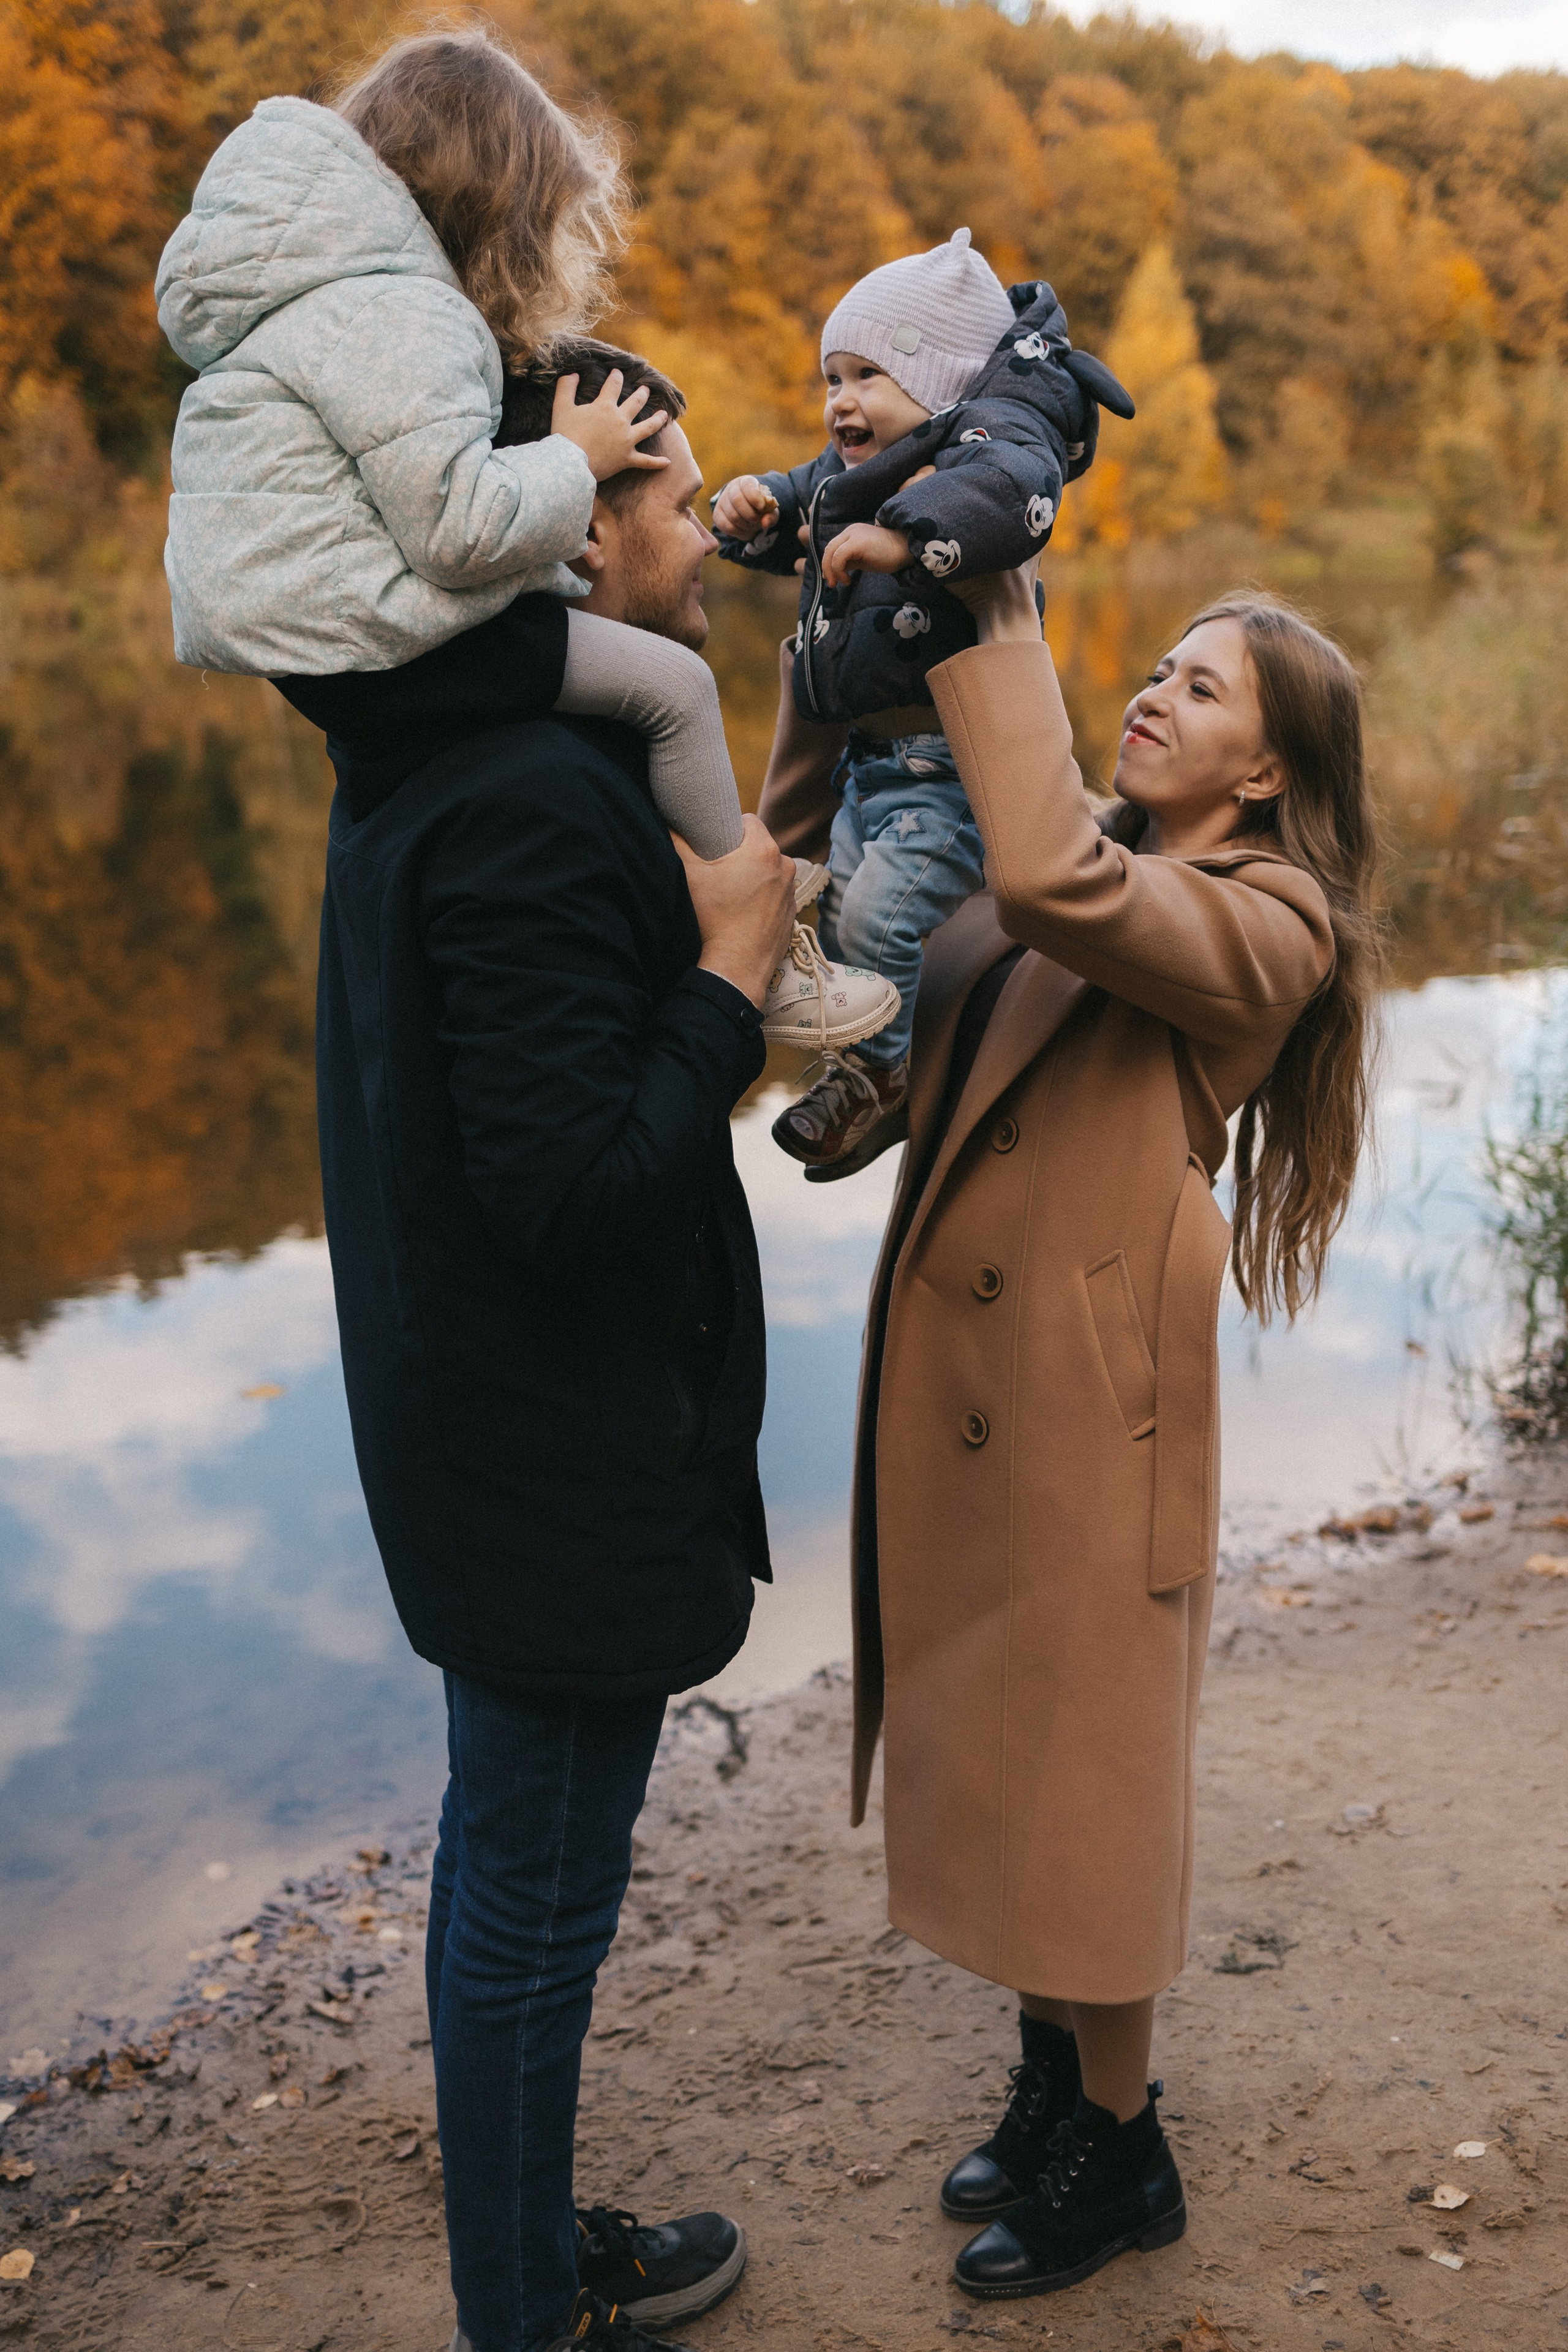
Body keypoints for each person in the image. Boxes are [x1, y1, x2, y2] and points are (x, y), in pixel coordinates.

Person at [758, 576, 1379, 2297]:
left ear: (1265, 774)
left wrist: (997, 619)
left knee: (1088, 1773)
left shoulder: (1268, 919)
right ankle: (1051, 2091)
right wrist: (871, 1094)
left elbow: (1044, 888)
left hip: (1091, 1400)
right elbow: (960, 992)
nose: (1158, 697)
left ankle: (1124, 2152)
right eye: (1159, 669)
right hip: (977, 1374)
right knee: (1008, 1738)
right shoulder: (1102, 854)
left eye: (1204, 688)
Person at [278, 344, 793, 2352]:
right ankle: (522, 2310)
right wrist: (736, 983)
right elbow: (579, 1197)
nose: (689, 507)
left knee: (516, 1881)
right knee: (532, 1902)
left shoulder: (484, 759)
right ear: (559, 543)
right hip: (541, 1449)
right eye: (654, 483)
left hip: (491, 1423)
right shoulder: (520, 802)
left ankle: (525, 2243)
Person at [154, 24, 891, 1052]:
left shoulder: (300, 286)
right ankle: (748, 914)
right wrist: (576, 458)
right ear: (502, 211)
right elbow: (457, 529)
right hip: (360, 625)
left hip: (299, 628)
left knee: (610, 685)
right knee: (671, 690)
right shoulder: (407, 315)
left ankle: (711, 874)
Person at [714, 228, 1131, 1174]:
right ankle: (869, 1063)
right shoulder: (861, 472)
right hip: (870, 770)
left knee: (876, 925)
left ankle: (878, 1080)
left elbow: (1012, 496)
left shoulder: (990, 444)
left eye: (867, 376)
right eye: (833, 377)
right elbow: (809, 503)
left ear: (939, 384)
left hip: (951, 776)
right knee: (836, 921)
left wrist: (902, 543)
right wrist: (757, 510)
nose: (840, 401)